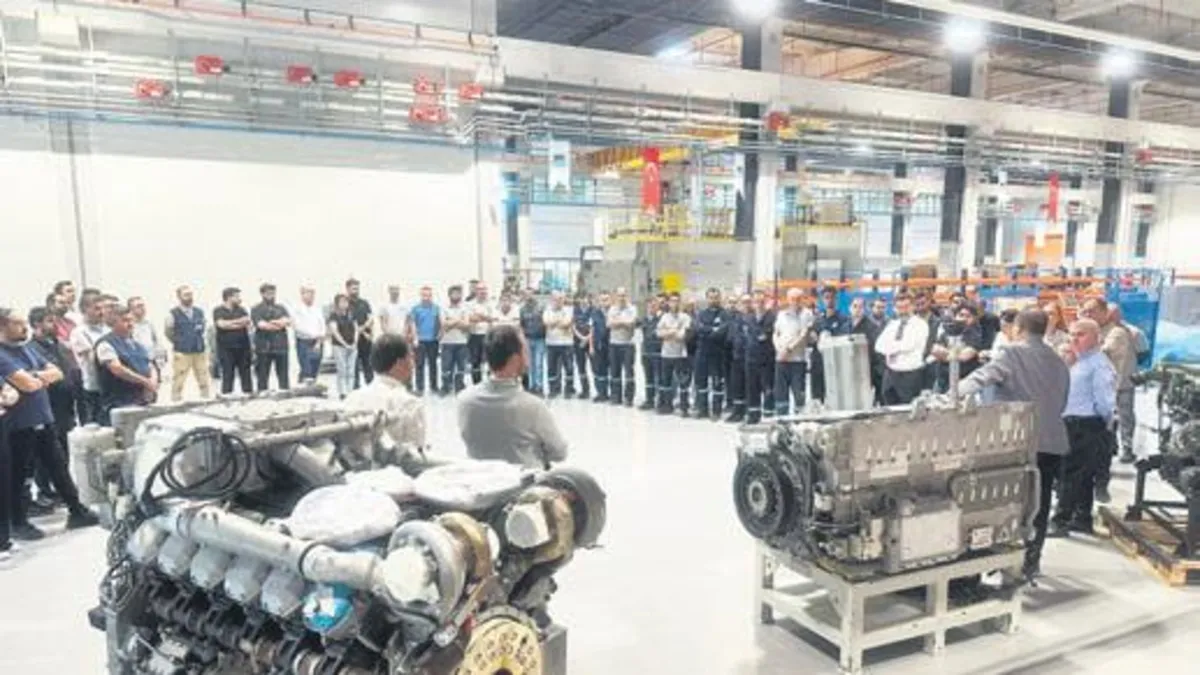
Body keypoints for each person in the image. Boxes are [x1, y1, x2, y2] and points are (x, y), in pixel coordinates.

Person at [955, 309, 1069, 577]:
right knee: (1038, 503)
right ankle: (1030, 561)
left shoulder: (1011, 353)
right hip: (1050, 442)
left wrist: (949, 394)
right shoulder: (1059, 361)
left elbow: (979, 379)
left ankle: (991, 561)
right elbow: (1062, 401)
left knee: (997, 503)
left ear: (1018, 328)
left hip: (1015, 446)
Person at [0, 307, 99, 540]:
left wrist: (34, 376)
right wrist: (37, 377)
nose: (24, 327)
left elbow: (57, 372)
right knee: (20, 475)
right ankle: (18, 523)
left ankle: (77, 511)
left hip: (43, 418)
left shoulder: (26, 349)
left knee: (59, 466)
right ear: (2, 326)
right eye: (17, 323)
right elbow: (27, 385)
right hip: (19, 425)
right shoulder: (2, 355)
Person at [457, 325, 568, 469]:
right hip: (523, 480)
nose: (529, 356)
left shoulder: (464, 400)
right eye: (526, 351)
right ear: (515, 359)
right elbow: (559, 453)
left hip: (481, 478)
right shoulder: (533, 406)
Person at [1054, 318, 1117, 538]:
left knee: (1070, 475)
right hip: (1072, 423)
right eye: (1072, 334)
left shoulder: (1098, 365)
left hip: (1086, 424)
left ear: (1096, 338)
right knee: (1082, 475)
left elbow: (1105, 402)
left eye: (1080, 334)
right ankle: (1081, 519)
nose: (1074, 339)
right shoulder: (1079, 362)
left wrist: (1103, 425)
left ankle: (1060, 520)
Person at [343, 334, 426, 469]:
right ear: (400, 363)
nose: (413, 364)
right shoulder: (410, 404)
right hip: (395, 476)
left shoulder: (352, 398)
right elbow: (416, 456)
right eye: (410, 357)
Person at [1082, 297, 1135, 494]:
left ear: (1105, 312)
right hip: (1098, 390)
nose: (1088, 315)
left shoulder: (1116, 332)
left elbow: (1103, 352)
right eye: (1086, 311)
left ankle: (1125, 450)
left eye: (1092, 311)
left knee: (1120, 420)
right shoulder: (1096, 332)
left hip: (1118, 387)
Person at [28, 307, 76, 508]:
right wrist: (49, 375)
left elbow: (64, 371)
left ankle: (60, 490)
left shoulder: (58, 345)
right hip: (47, 405)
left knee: (63, 449)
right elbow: (42, 376)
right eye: (49, 321)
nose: (54, 325)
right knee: (45, 454)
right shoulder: (32, 349)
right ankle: (45, 491)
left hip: (65, 405)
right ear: (37, 324)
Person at [95, 305, 158, 423]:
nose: (130, 324)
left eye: (131, 320)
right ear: (114, 323)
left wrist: (152, 383)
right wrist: (144, 382)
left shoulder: (138, 345)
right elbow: (117, 369)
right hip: (119, 404)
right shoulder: (105, 344)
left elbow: (150, 364)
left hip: (142, 401)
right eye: (125, 320)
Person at [875, 293, 929, 405]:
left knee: (907, 409)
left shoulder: (920, 325)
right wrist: (895, 348)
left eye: (906, 307)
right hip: (890, 374)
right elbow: (879, 345)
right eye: (899, 307)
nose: (903, 311)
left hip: (910, 375)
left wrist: (891, 347)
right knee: (888, 408)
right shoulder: (892, 325)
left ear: (913, 306)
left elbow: (909, 345)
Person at [1108, 305, 1145, 464]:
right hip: (1107, 383)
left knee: (1126, 416)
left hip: (1124, 382)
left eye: (1114, 314)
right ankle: (1111, 446)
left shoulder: (1133, 332)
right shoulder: (1099, 331)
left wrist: (1130, 367)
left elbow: (1143, 352)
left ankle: (1127, 448)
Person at [163, 285, 211, 401]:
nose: (189, 297)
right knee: (179, 379)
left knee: (203, 378)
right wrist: (179, 341)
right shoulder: (173, 314)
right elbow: (168, 332)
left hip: (199, 350)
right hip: (182, 352)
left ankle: (205, 399)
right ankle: (176, 401)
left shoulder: (199, 312)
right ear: (179, 297)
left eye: (190, 294)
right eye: (186, 295)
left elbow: (203, 327)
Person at [68, 294, 109, 423]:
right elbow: (94, 357)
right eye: (97, 308)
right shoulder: (79, 332)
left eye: (103, 308)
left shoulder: (108, 329)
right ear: (85, 310)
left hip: (111, 385)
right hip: (93, 386)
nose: (101, 312)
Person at [773, 289, 814, 417]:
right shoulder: (781, 314)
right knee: (781, 395)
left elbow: (804, 334)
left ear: (802, 300)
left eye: (798, 299)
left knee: (799, 394)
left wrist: (789, 349)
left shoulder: (807, 314)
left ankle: (799, 421)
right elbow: (775, 333)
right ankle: (782, 421)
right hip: (781, 360)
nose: (795, 302)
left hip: (797, 361)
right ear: (788, 300)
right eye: (792, 299)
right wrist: (779, 349)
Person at [691, 288, 730, 420]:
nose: (713, 300)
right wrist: (712, 329)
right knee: (701, 382)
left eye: (716, 297)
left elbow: (721, 332)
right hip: (702, 352)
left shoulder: (725, 314)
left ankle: (716, 411)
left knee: (717, 383)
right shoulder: (701, 314)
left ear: (719, 298)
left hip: (718, 354)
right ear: (707, 299)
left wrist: (706, 329)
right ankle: (703, 410)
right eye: (711, 297)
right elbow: (697, 328)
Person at [930, 303, 985, 392]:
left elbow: (964, 357)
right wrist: (954, 354)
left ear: (974, 319)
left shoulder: (975, 335)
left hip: (964, 382)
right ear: (955, 316)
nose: (963, 319)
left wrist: (945, 354)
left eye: (968, 316)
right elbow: (935, 350)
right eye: (961, 315)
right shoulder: (947, 331)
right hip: (942, 380)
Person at [810, 287, 848, 404]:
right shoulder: (817, 320)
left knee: (835, 395)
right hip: (818, 362)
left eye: (832, 297)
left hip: (835, 362)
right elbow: (812, 339)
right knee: (817, 395)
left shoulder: (843, 319)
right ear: (822, 300)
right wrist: (812, 337)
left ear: (836, 299)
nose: (829, 300)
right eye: (826, 298)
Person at [743, 291, 777, 423]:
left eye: (762, 302)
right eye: (756, 302)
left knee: (768, 388)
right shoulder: (748, 318)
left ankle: (768, 415)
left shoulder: (772, 317)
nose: (759, 304)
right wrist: (759, 334)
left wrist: (759, 334)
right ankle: (753, 415)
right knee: (752, 388)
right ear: (753, 303)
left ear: (766, 302)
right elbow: (751, 335)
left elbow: (766, 334)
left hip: (767, 359)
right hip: (751, 358)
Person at [656, 293, 692, 415]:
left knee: (683, 383)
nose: (674, 303)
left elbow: (682, 336)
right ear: (669, 303)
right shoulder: (664, 317)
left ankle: (684, 407)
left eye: (677, 301)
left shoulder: (685, 317)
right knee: (666, 382)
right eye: (672, 301)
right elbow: (659, 334)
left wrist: (668, 331)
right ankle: (667, 406)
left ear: (680, 302)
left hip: (681, 355)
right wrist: (674, 330)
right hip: (666, 354)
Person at [251, 283, 291, 392]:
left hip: (281, 346)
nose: (271, 295)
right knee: (262, 376)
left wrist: (273, 322)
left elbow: (288, 321)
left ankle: (285, 394)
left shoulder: (281, 307)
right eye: (269, 293)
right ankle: (262, 395)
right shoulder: (256, 309)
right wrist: (278, 324)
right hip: (264, 347)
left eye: (273, 293)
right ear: (262, 294)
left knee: (283, 375)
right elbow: (261, 325)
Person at [213, 287, 253, 395]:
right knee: (228, 374)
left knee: (246, 374)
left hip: (243, 348)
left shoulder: (241, 310)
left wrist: (230, 324)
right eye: (237, 296)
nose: (239, 298)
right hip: (226, 349)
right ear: (229, 297)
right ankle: (227, 397)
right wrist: (239, 323)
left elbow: (247, 321)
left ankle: (248, 395)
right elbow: (221, 325)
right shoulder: (218, 310)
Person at [849, 297, 883, 406]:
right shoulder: (845, 326)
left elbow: (876, 352)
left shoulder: (872, 327)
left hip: (867, 371)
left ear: (864, 310)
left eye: (860, 307)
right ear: (850, 308)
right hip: (849, 369)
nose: (857, 309)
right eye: (855, 306)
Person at [607, 288, 638, 407]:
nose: (622, 298)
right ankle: (616, 396)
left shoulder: (632, 309)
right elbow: (609, 324)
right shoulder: (612, 309)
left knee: (629, 372)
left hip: (628, 345)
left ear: (627, 296)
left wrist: (618, 321)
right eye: (619, 295)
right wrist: (623, 322)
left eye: (624, 295)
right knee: (615, 371)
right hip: (614, 344)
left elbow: (631, 323)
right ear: (616, 296)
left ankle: (629, 398)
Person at [724, 294, 752, 423]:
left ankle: (749, 411)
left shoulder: (755, 317)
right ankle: (737, 411)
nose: (746, 305)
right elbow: (730, 337)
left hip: (751, 357)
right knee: (736, 385)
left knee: (750, 385)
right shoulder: (735, 319)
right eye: (743, 302)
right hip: (736, 357)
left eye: (748, 302)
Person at [409, 286, 442, 396]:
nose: (426, 297)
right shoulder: (415, 309)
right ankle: (420, 388)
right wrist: (415, 338)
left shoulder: (436, 308)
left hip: (433, 341)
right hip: (420, 341)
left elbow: (440, 322)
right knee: (419, 365)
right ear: (421, 296)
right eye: (424, 295)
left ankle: (434, 387)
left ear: (431, 296)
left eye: (428, 295)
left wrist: (440, 335)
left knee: (433, 365)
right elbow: (413, 324)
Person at [543, 291, 576, 399]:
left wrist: (554, 322)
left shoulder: (569, 310)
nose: (558, 301)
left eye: (561, 299)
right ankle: (553, 389)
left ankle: (568, 389)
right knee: (551, 368)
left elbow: (566, 324)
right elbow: (546, 323)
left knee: (569, 368)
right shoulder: (547, 310)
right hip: (551, 343)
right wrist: (557, 321)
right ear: (552, 299)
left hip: (566, 343)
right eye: (556, 299)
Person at [440, 285, 471, 395]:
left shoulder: (465, 309)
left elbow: (467, 325)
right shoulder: (443, 308)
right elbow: (444, 325)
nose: (456, 295)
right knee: (446, 368)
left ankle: (459, 387)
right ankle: (446, 387)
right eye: (454, 293)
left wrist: (451, 321)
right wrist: (459, 320)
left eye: (458, 294)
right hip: (447, 342)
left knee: (461, 367)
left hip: (461, 342)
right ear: (449, 295)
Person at [291, 286, 326, 384]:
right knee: (306, 368)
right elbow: (297, 327)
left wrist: (320, 337)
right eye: (308, 293)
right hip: (304, 341)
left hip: (318, 341)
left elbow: (322, 325)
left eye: (312, 293)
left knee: (315, 367)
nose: (311, 296)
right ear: (302, 295)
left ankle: (312, 387)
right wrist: (313, 334)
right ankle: (303, 386)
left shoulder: (317, 309)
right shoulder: (297, 309)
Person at [328, 294, 359, 399]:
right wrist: (345, 344)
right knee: (342, 370)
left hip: (352, 346)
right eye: (342, 301)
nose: (345, 303)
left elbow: (356, 329)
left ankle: (350, 392)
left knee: (351, 370)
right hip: (339, 346)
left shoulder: (351, 314)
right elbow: (334, 331)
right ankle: (343, 392)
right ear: (337, 304)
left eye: (346, 301)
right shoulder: (333, 316)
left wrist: (355, 342)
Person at [346, 279, 375, 388]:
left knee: (368, 364)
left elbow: (370, 318)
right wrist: (360, 330)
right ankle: (355, 387)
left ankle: (371, 387)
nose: (356, 291)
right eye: (353, 289)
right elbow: (347, 322)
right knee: (353, 365)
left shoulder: (364, 303)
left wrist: (369, 332)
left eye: (357, 288)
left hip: (366, 339)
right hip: (352, 339)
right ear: (347, 289)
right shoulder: (345, 304)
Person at [519, 290, 546, 396]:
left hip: (540, 339)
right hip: (527, 339)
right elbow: (521, 325)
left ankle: (539, 387)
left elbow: (545, 322)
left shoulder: (541, 307)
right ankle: (531, 386)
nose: (529, 296)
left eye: (530, 294)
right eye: (526, 294)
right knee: (529, 364)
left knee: (539, 364)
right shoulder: (522, 309)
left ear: (534, 295)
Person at [639, 295, 664, 410]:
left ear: (658, 306)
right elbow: (646, 334)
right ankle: (649, 400)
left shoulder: (662, 319)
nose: (651, 308)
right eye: (649, 306)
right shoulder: (644, 319)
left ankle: (661, 401)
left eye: (654, 306)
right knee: (648, 378)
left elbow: (657, 334)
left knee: (659, 378)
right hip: (646, 352)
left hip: (658, 353)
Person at [466, 283, 494, 385]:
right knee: (475, 362)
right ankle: (476, 384)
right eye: (480, 289)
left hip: (489, 335)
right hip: (474, 335)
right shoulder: (469, 304)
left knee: (491, 361)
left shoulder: (492, 303)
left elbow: (493, 319)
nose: (482, 291)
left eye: (484, 289)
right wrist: (486, 317)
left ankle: (491, 384)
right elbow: (470, 318)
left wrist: (480, 316)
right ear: (476, 291)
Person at [129, 297, 164, 371]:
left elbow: (157, 342)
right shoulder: (129, 325)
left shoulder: (149, 324)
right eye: (138, 306)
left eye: (143, 305)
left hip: (153, 362)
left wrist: (160, 359)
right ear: (131, 309)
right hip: (137, 364)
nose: (142, 308)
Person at [588, 292, 612, 402]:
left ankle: (614, 394)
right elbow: (591, 330)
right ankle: (601, 393)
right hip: (599, 346)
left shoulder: (613, 312)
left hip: (612, 346)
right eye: (602, 300)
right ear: (599, 301)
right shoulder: (595, 313)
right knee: (599, 370)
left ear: (610, 300)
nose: (604, 302)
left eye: (606, 299)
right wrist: (591, 346)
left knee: (613, 370)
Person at [571, 293, 595, 401]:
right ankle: (585, 390)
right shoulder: (575, 310)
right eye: (581, 298)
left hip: (591, 343)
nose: (583, 300)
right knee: (581, 367)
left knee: (595, 367)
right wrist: (580, 337)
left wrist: (587, 339)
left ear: (588, 299)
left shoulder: (593, 310)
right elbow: (573, 326)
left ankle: (600, 391)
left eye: (585, 298)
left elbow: (594, 327)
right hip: (578, 342)